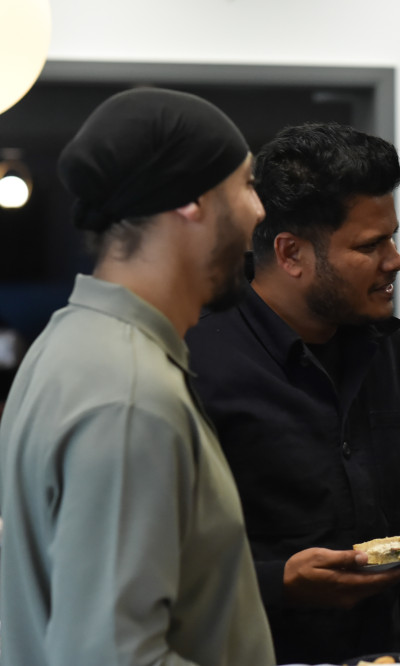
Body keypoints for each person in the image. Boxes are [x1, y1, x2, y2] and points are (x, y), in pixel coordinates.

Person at [0, 88, 274, 665]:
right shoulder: (128, 394)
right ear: (192, 200)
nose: (261, 210)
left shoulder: (69, 345)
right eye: (247, 184)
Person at [186, 121, 400, 665]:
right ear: (290, 253)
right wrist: (278, 583)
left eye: (392, 238)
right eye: (371, 245)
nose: (395, 260)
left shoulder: (393, 355)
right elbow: (166, 560)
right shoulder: (196, 364)